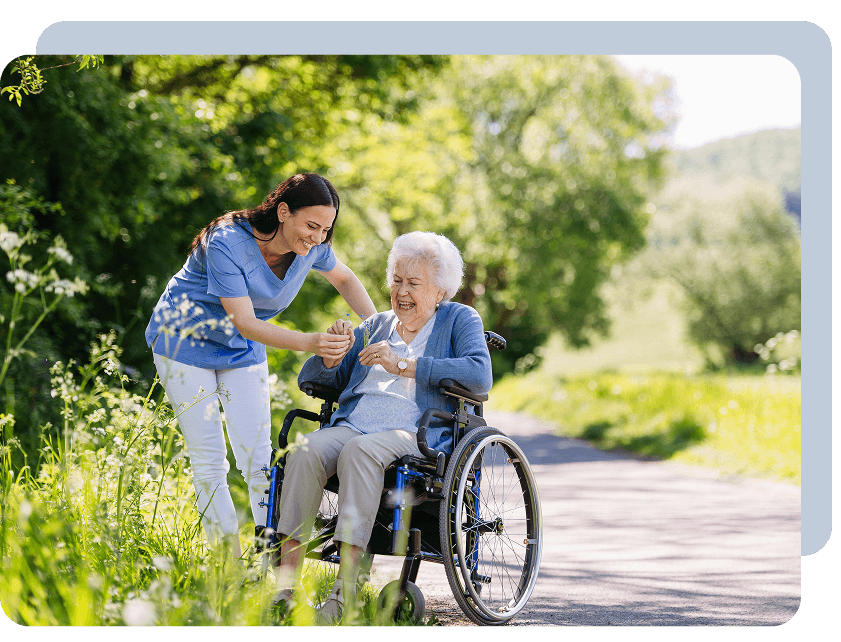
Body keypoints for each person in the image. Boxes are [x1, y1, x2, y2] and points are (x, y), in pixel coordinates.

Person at [144, 173, 377, 556]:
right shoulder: (227, 241)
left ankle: (273, 559)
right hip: (183, 343)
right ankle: (228, 563)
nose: (318, 237)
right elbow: (247, 323)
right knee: (210, 458)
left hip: (240, 351)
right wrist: (311, 342)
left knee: (258, 458)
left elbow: (346, 279)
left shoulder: (313, 248)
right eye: (311, 226)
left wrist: (381, 329)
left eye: (326, 229)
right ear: (283, 212)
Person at [273, 231, 493, 623]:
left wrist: (405, 365)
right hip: (354, 423)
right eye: (396, 281)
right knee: (304, 451)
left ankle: (345, 594)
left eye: (414, 283)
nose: (402, 292)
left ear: (440, 290)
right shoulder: (375, 325)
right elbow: (321, 381)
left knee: (361, 451)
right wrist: (331, 352)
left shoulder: (460, 319)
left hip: (415, 432)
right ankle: (284, 590)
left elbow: (479, 375)